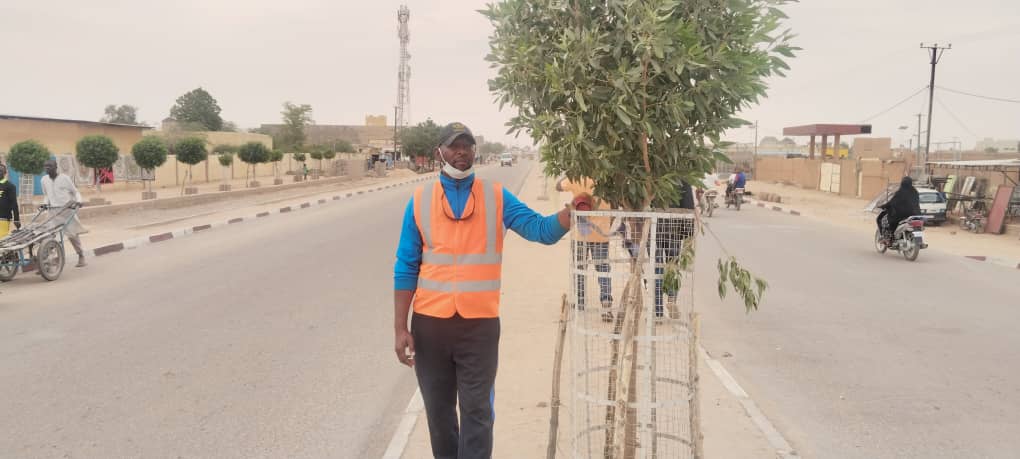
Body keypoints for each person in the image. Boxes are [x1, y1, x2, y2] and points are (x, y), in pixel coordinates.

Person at [393, 122, 587, 459]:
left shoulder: (496, 197)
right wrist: (400, 327)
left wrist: (569, 214)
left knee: (478, 414)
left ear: (475, 151)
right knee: (439, 418)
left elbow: (539, 229)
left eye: (467, 145)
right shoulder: (420, 200)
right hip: (430, 327)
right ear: (440, 151)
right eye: (454, 146)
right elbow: (406, 265)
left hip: (478, 328)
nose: (462, 152)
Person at [557, 176, 614, 321]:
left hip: (580, 234)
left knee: (580, 269)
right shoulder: (606, 180)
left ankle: (580, 303)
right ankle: (606, 303)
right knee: (603, 270)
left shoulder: (577, 178)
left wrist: (567, 174)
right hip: (601, 233)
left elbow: (558, 186)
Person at [41, 160, 87, 267]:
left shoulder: (64, 178)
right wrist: (44, 203)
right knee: (51, 236)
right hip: (53, 212)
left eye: (50, 166)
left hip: (67, 211)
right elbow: (46, 195)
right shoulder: (44, 180)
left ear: (56, 167)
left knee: (73, 235)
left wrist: (79, 201)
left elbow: (75, 192)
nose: (47, 168)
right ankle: (48, 261)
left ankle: (81, 255)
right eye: (45, 166)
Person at [0, 164, 21, 237]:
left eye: (1, 171)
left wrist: (16, 219)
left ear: (5, 172)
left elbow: (14, 203)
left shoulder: (10, 186)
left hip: (3, 219)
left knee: (1, 242)